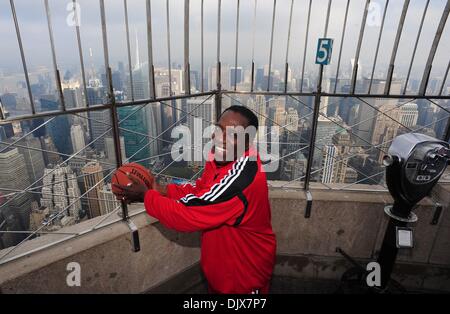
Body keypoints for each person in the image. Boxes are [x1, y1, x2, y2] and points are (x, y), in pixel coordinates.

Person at [113, 105, 276, 294]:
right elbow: (201, 192)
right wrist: (163, 190)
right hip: (221, 275)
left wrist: (146, 196)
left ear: (248, 143)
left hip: (244, 281)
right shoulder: (219, 158)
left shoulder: (242, 179)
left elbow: (188, 214)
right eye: (218, 129)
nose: (218, 138)